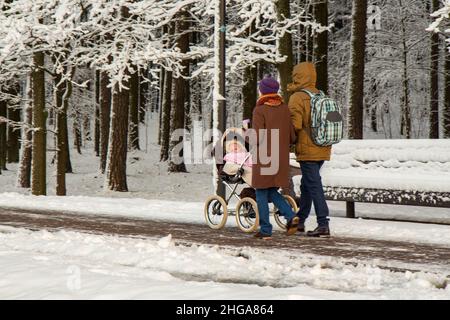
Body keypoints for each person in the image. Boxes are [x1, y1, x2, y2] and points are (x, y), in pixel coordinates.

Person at [287, 62, 332, 238]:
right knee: (307, 185)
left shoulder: (297, 97)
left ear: (298, 76)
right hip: (323, 146)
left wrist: (287, 139)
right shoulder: (320, 94)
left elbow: (295, 125)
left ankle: (323, 223)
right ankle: (301, 220)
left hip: (308, 148)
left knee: (313, 185)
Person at [251, 76, 298, 240]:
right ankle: (290, 215)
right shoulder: (285, 109)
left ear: (262, 91)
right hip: (281, 157)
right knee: (271, 191)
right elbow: (292, 136)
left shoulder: (260, 110)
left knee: (261, 193)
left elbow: (257, 137)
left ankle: (265, 229)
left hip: (264, 156)